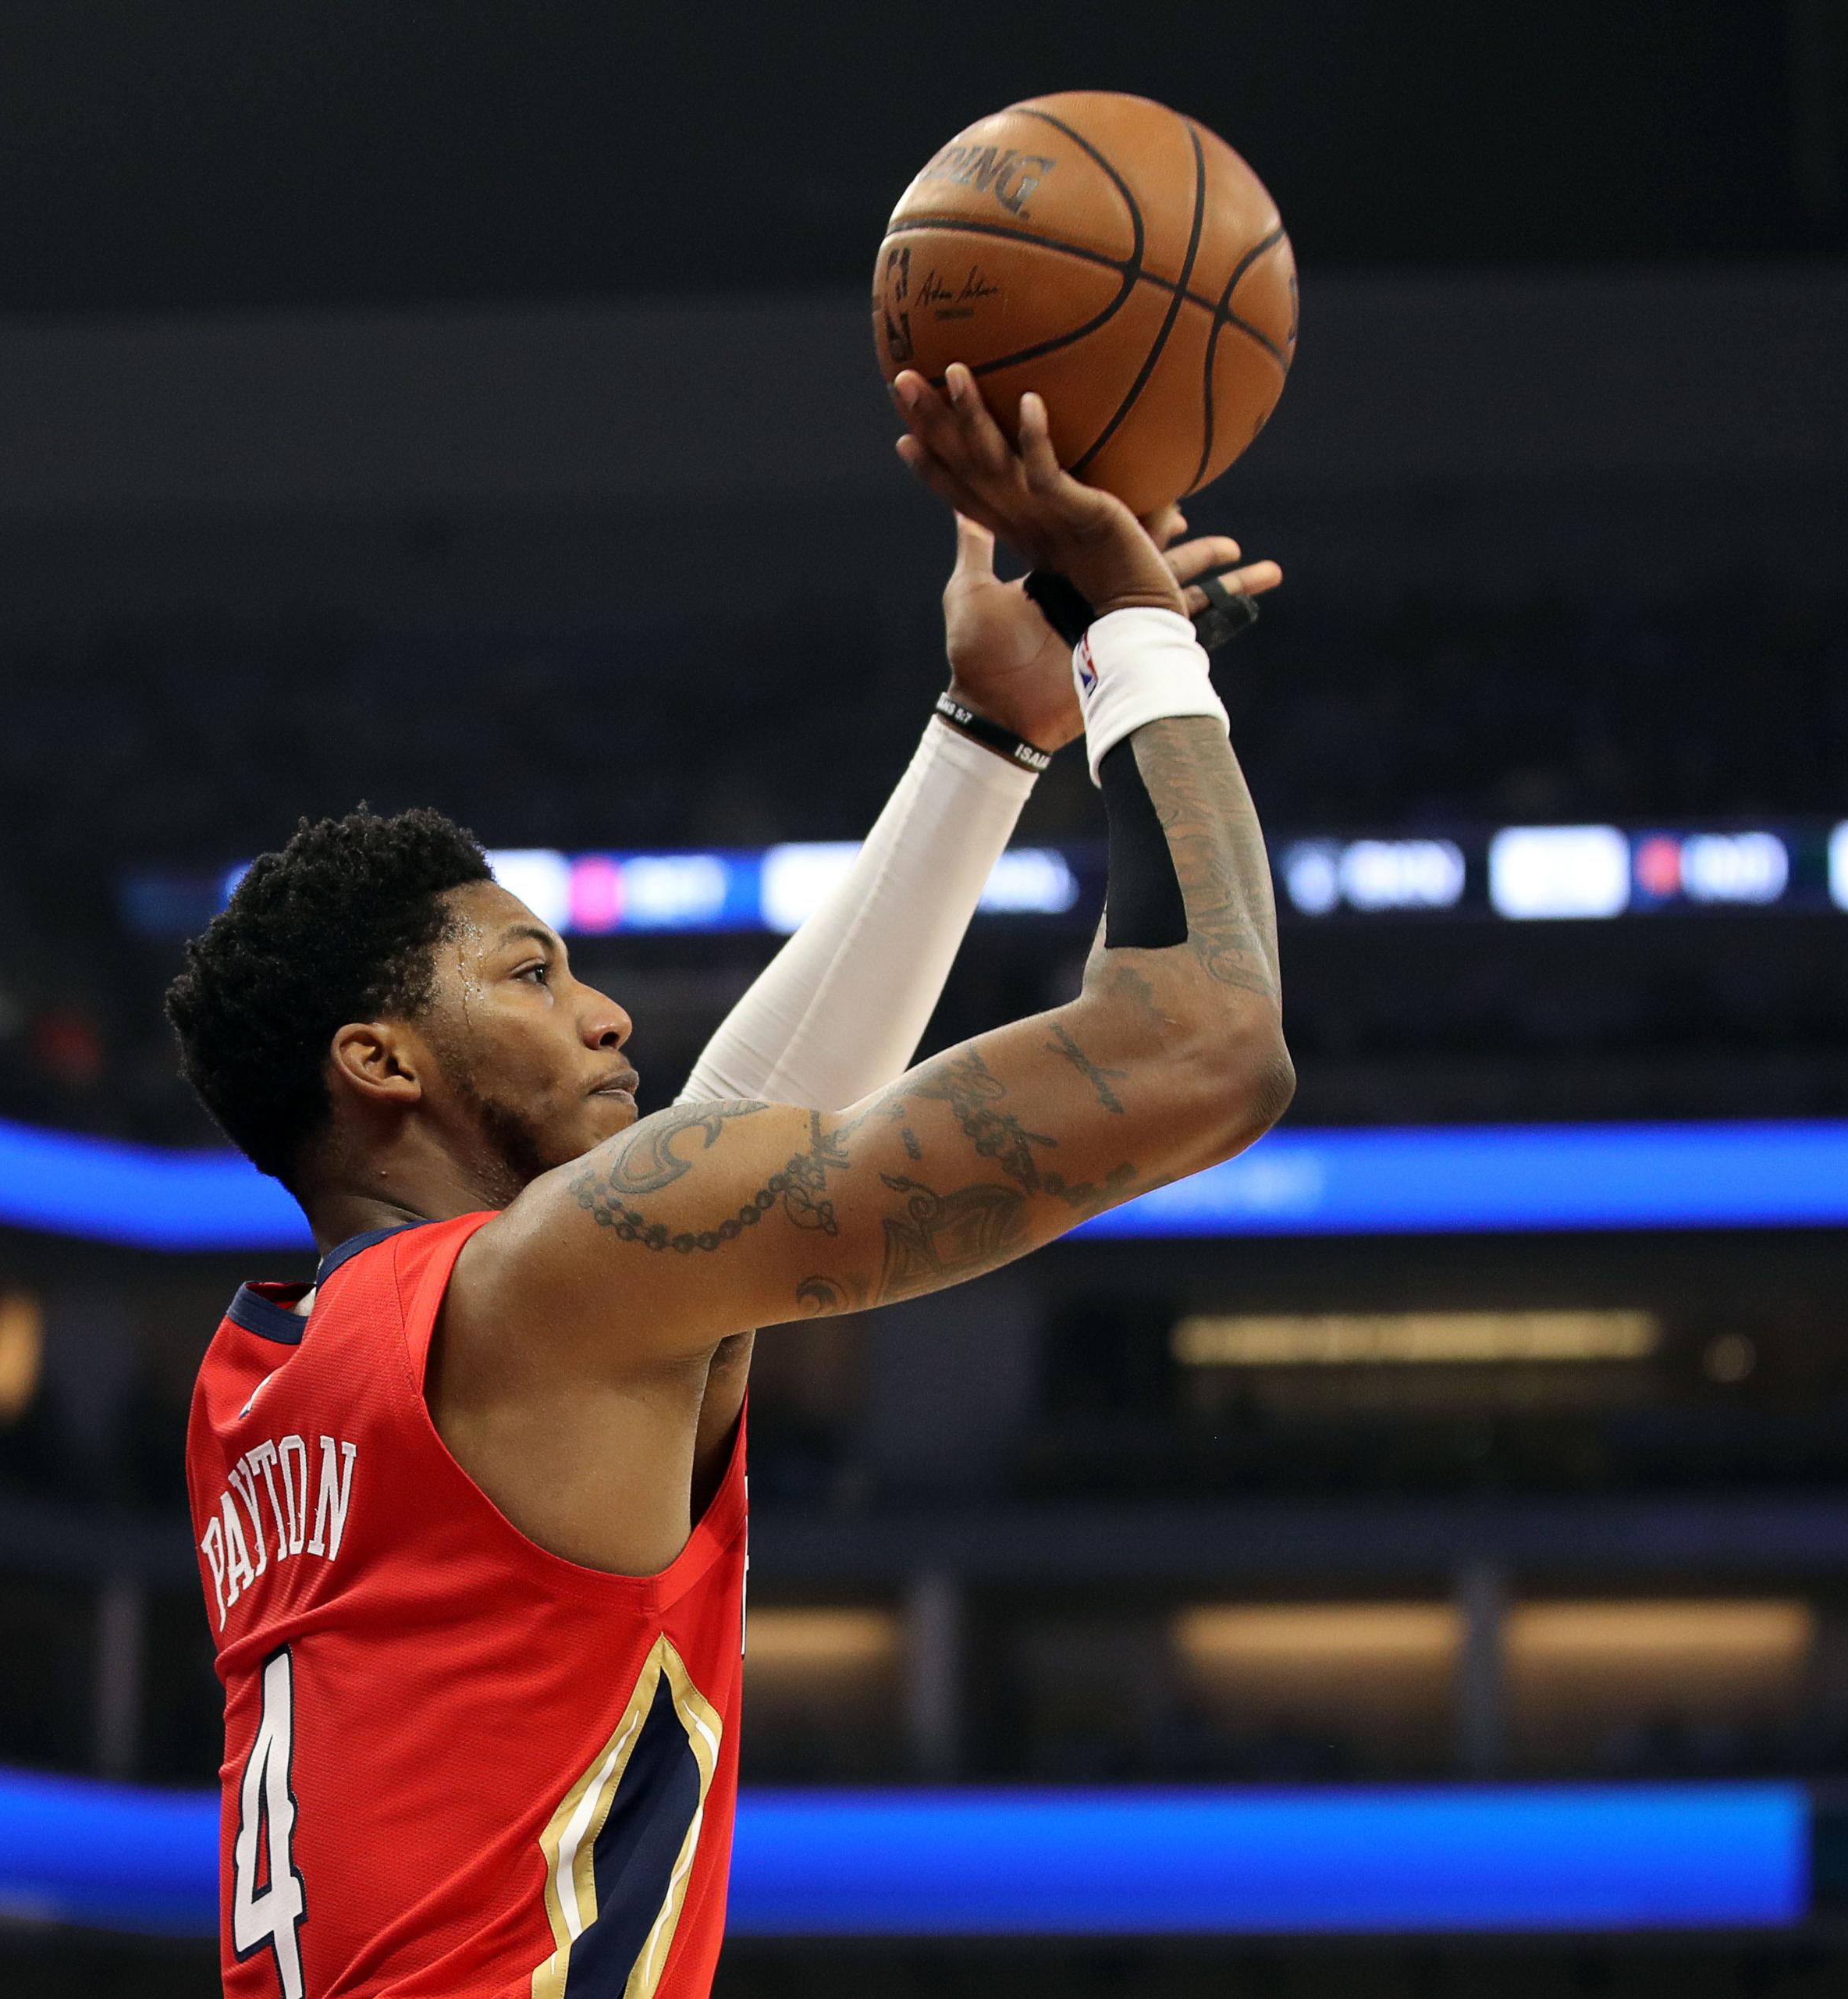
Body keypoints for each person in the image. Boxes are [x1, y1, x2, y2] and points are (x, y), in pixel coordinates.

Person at [165, 364, 1294, 1999]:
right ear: (381, 1061)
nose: (605, 1010)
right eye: (531, 977)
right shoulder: (544, 1298)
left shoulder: (258, 1388)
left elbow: (722, 1156)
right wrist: (1133, 624)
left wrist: (985, 741)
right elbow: (1206, 1045)